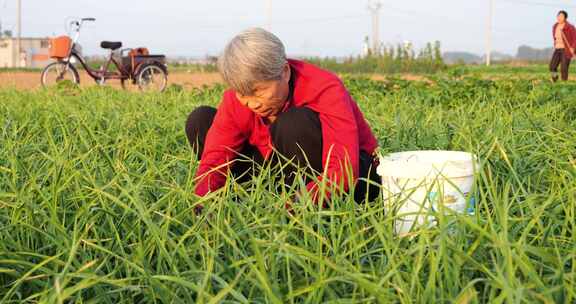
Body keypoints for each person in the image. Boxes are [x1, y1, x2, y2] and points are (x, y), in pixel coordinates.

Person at [185, 28, 381, 211]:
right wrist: (202, 203)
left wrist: (295, 205)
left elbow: (344, 167)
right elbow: (215, 158)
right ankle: (251, 201)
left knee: (293, 123)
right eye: (242, 94)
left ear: (285, 72)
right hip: (278, 168)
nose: (252, 104)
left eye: (258, 91)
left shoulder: (324, 87)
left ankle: (310, 211)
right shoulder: (236, 101)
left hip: (347, 174)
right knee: (200, 121)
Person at [550, 10, 576, 82]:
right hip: (557, 49)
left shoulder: (570, 27)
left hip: (566, 49)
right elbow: (555, 38)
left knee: (564, 68)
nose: (559, 17)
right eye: (558, 16)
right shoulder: (555, 26)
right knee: (552, 66)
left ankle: (564, 83)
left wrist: (573, 47)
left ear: (565, 18)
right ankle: (555, 79)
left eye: (561, 16)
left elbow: (575, 38)